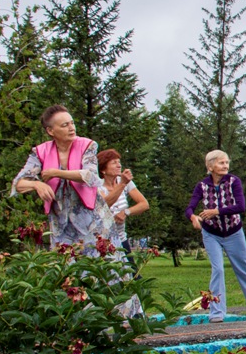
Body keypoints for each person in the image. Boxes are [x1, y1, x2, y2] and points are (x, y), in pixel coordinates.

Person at [11, 104, 141, 318]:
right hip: (61, 226)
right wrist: (37, 185)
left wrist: (55, 173)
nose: (72, 128)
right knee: (69, 273)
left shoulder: (87, 146)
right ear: (51, 131)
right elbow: (18, 183)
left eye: (72, 123)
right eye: (65, 125)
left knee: (113, 268)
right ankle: (86, 323)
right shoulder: (40, 152)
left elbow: (90, 176)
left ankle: (132, 321)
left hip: (95, 221)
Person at [185, 150, 246, 324]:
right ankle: (216, 312)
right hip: (211, 233)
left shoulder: (234, 182)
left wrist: (216, 211)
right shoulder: (202, 185)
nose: (225, 166)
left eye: (226, 162)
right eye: (221, 163)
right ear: (210, 167)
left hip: (233, 231)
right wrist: (193, 217)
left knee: (244, 267)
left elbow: (241, 206)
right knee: (217, 269)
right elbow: (190, 207)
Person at [98, 149, 150, 255]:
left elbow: (144, 204)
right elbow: (104, 205)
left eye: (119, 162)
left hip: (121, 239)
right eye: (114, 163)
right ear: (103, 169)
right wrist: (122, 184)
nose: (119, 165)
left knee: (132, 271)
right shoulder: (98, 186)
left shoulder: (125, 182)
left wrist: (126, 212)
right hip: (102, 241)